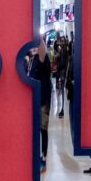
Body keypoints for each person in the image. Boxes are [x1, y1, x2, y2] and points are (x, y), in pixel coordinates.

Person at [28, 35, 52, 173]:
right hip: (35, 100)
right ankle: (36, 157)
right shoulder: (32, 60)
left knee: (43, 129)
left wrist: (37, 35)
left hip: (43, 100)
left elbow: (42, 48)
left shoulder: (42, 58)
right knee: (35, 129)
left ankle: (43, 158)